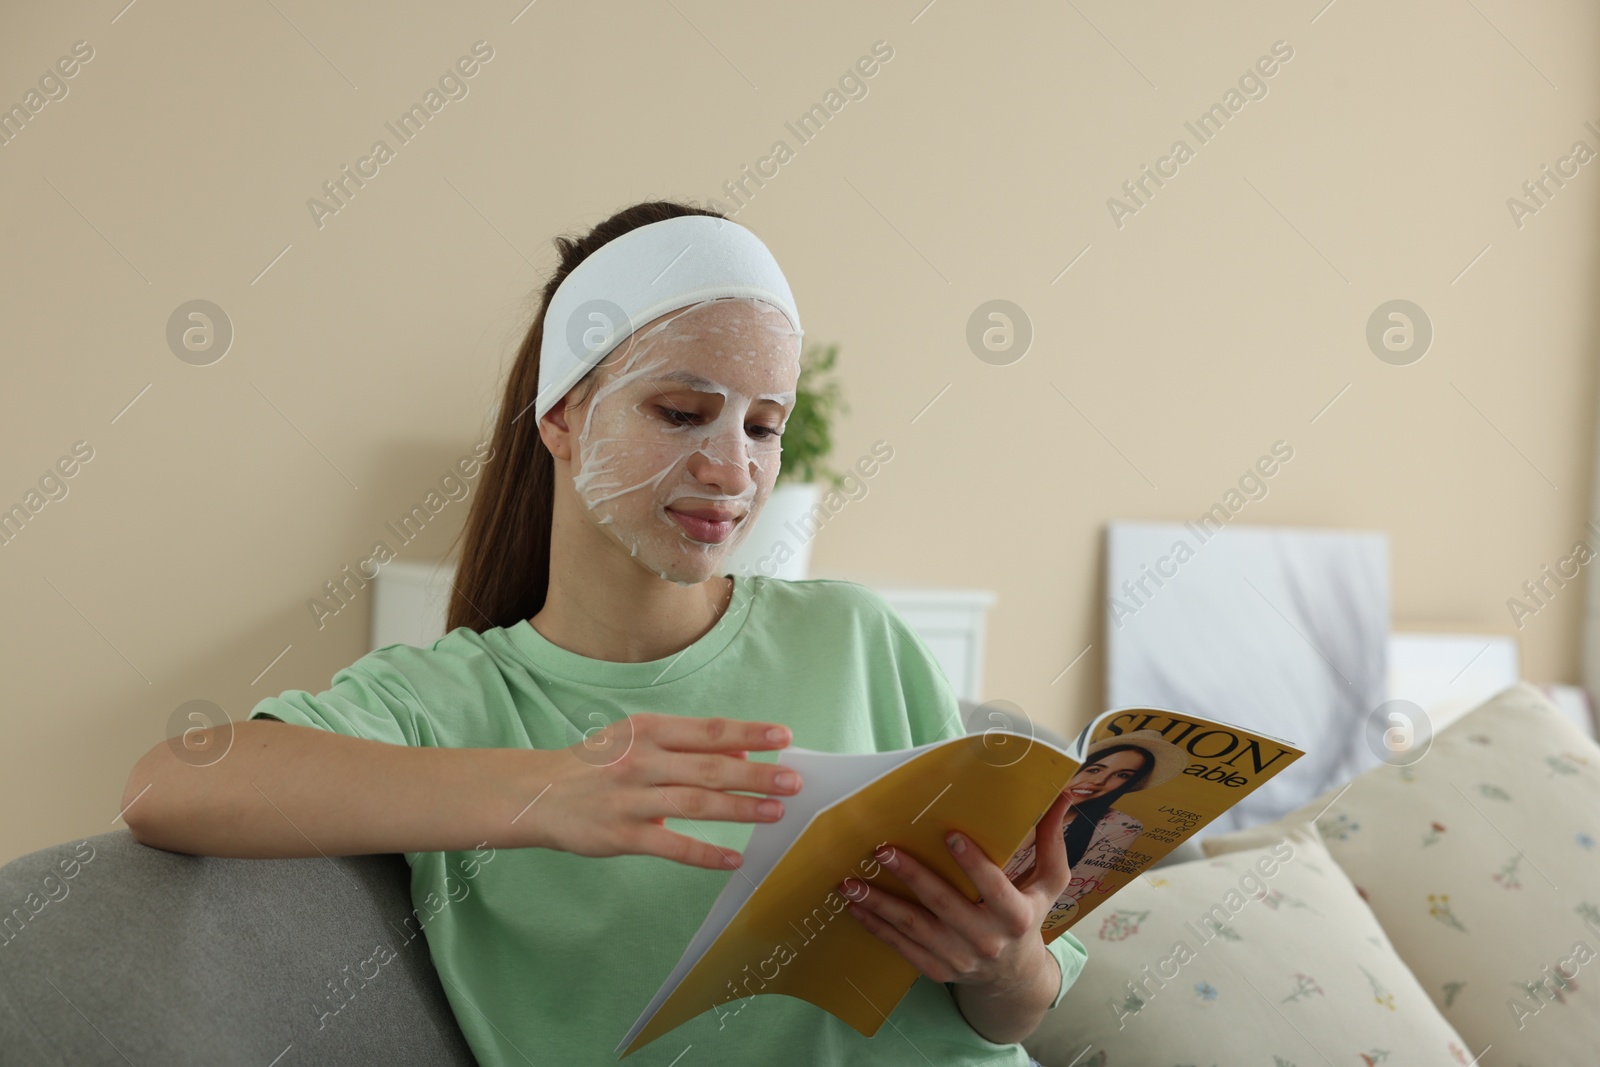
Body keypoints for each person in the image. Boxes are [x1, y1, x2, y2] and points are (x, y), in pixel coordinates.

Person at [122, 201, 1088, 1066]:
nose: (732, 471)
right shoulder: (449, 700)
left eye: (764, 426)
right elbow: (173, 784)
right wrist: (546, 790)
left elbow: (1011, 1015)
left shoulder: (856, 635)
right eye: (682, 411)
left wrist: (1006, 963)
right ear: (563, 414)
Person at [1001, 730, 1186, 924]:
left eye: (1121, 775)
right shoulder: (1017, 795)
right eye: (1095, 769)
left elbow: (1066, 901)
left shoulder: (1120, 826)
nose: (1099, 781)